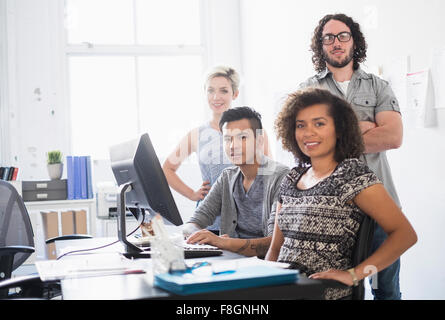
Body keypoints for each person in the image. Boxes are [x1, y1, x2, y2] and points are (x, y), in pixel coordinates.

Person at [266, 88, 416, 300]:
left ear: (339, 129)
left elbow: (405, 235)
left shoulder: (351, 174)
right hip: (283, 291)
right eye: (301, 125)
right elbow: (275, 249)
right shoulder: (292, 177)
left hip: (323, 294)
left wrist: (354, 275)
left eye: (319, 123)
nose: (308, 132)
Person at [298, 13, 404, 300]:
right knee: (338, 289)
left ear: (354, 41)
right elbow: (305, 145)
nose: (336, 42)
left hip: (380, 205)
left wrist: (334, 135)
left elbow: (393, 138)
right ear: (320, 46)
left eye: (343, 35)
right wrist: (367, 127)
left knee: (386, 291)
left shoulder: (378, 86)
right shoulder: (309, 90)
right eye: (328, 38)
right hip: (331, 208)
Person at [163, 66, 270, 233]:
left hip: (248, 219)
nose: (216, 97)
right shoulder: (197, 134)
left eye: (223, 91)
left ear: (235, 94)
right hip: (211, 220)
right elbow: (167, 169)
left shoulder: (256, 131)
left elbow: (267, 173)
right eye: (210, 90)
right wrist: (192, 194)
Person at [183, 107, 289, 257]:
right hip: (232, 261)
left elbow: (275, 244)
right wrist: (197, 235)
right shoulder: (227, 177)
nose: (233, 146)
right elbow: (193, 222)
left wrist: (223, 242)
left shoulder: (281, 177)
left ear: (259, 140)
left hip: (265, 265)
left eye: (242, 138)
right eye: (228, 139)